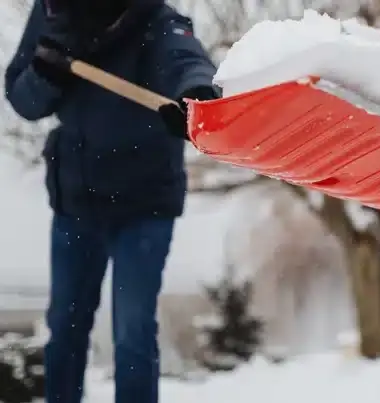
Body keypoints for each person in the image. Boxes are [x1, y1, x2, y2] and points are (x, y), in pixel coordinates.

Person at [4, 0, 220, 402]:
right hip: (77, 199)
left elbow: (186, 60)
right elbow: (23, 100)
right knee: (65, 327)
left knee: (132, 330)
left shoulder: (156, 19)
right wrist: (44, 75)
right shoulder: (54, 13)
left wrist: (195, 97)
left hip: (145, 203)